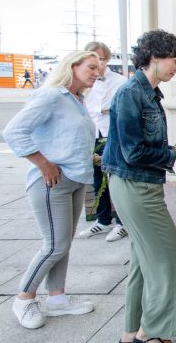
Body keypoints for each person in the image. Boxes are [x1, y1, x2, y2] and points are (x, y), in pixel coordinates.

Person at [102, 30, 176, 343]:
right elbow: (134, 152)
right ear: (154, 57)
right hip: (136, 188)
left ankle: (131, 333)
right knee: (172, 259)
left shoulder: (147, 92)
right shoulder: (132, 92)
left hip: (138, 185)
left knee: (143, 263)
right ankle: (154, 334)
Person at [2, 51, 101, 329]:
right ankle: (24, 298)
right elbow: (14, 131)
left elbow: (66, 138)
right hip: (52, 182)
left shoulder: (76, 100)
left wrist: (93, 158)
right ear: (72, 66)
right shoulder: (51, 96)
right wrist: (43, 163)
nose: (97, 73)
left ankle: (57, 299)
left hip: (75, 180)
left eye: (98, 69)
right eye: (91, 67)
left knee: (63, 244)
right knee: (54, 244)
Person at [77, 41, 128, 242]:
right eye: (93, 61)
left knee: (115, 178)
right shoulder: (85, 84)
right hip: (93, 134)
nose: (98, 65)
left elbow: (119, 108)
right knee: (98, 179)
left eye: (102, 60)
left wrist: (103, 110)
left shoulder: (120, 81)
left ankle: (122, 223)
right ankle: (102, 219)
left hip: (112, 134)